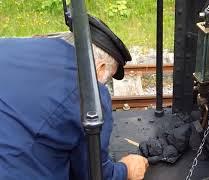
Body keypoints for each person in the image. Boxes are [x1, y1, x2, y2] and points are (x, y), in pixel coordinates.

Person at [0, 16, 148, 180]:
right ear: (100, 67)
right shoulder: (90, 91)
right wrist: (126, 169)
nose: (103, 85)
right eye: (107, 78)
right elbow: (93, 174)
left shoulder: (8, 46)